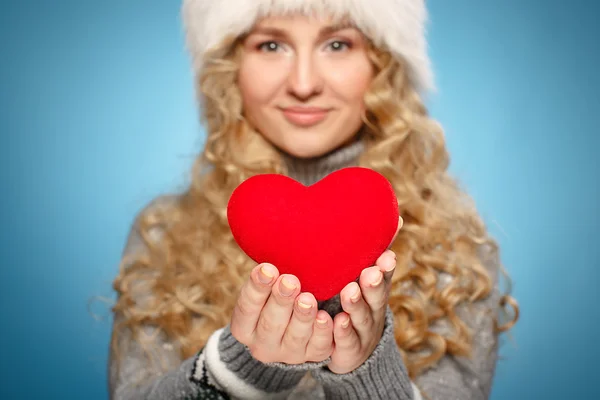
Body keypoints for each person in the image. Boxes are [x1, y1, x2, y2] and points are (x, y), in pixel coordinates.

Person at [108, 1, 519, 399]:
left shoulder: (455, 248)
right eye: (271, 45)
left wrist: (365, 371)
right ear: (229, 69)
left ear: (384, 65)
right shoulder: (163, 233)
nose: (304, 84)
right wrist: (240, 368)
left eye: (337, 44)